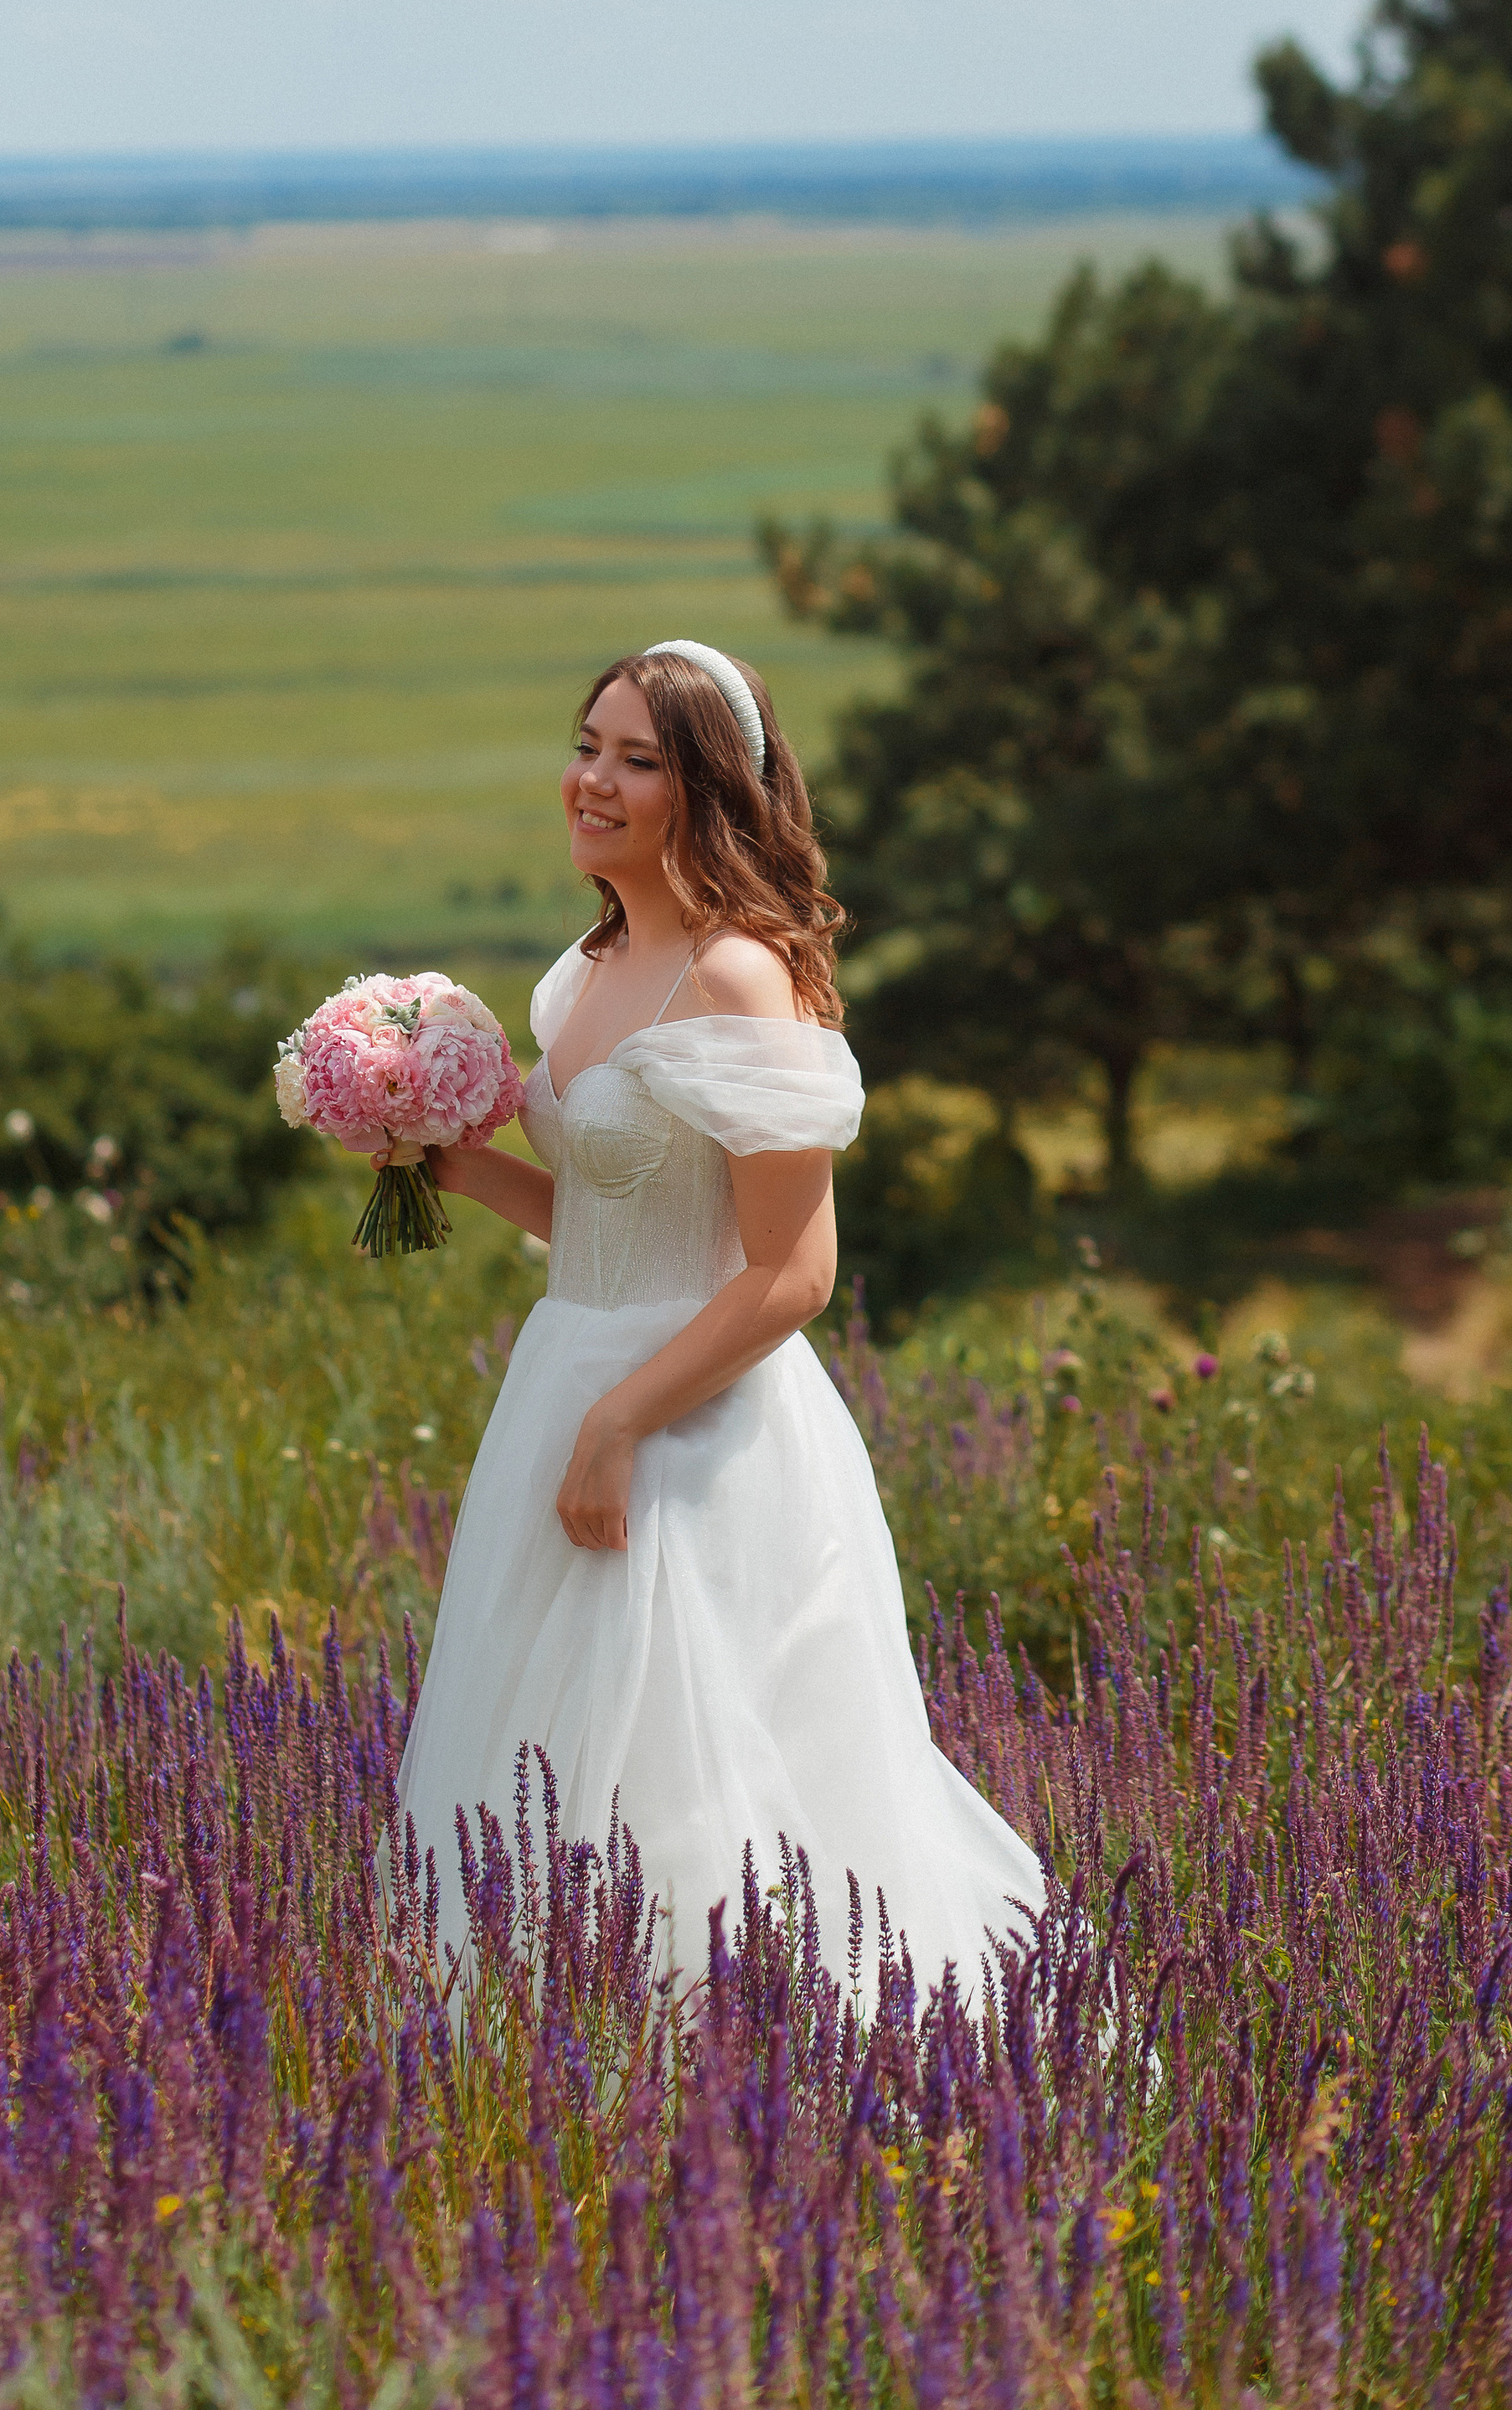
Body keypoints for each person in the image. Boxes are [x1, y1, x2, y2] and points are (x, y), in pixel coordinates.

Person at [391, 638, 1043, 1995]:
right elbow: (613, 1222)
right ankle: (562, 2072)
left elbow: (791, 1272)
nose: (595, 782)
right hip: (566, 1383)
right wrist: (447, 1157)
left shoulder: (741, 977)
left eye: (639, 760)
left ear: (708, 791)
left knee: (700, 1774)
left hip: (698, 1430)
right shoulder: (584, 972)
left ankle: (763, 2069)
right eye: (588, 747)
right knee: (553, 1761)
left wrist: (622, 1421)